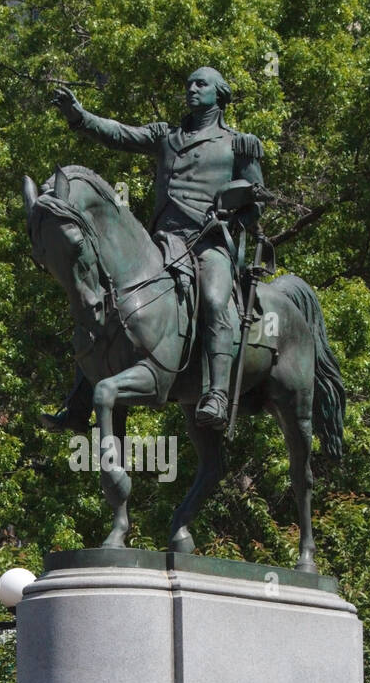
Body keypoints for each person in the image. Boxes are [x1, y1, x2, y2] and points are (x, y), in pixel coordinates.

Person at [51, 67, 265, 432]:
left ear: (220, 94)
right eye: (189, 84)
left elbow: (257, 201)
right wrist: (80, 115)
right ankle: (80, 399)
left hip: (209, 242)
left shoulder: (238, 144)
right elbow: (118, 133)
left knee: (214, 300)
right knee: (104, 298)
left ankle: (216, 392)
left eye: (201, 84)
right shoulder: (167, 136)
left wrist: (231, 213)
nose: (192, 89)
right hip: (164, 241)